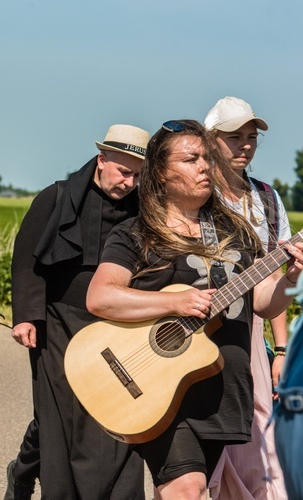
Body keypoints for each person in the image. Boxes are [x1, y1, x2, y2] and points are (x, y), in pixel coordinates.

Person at [86, 119, 303, 499]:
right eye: (191, 159)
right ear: (160, 174)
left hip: (223, 392)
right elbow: (101, 296)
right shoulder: (137, 234)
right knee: (187, 488)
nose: (205, 166)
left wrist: (290, 278)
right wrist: (174, 300)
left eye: (206, 157)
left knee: (179, 490)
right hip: (158, 391)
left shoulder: (237, 232)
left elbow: (265, 304)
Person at [7, 124, 148, 499]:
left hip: (117, 326)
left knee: (118, 416)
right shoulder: (56, 197)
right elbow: (26, 261)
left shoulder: (143, 209)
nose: (130, 182)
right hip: (57, 325)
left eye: (137, 175)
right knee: (58, 420)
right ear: (102, 160)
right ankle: (32, 476)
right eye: (124, 171)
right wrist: (26, 315)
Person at [204, 96, 289, 499]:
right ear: (211, 139)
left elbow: (273, 279)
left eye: (252, 137)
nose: (246, 145)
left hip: (252, 328)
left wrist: (282, 349)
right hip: (199, 322)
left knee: (258, 423)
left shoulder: (269, 201)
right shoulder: (197, 196)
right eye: (234, 136)